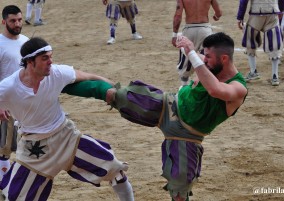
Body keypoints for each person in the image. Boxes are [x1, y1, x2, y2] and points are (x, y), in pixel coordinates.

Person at [63, 32, 248, 201]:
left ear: (224, 58)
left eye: (208, 57)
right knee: (115, 95)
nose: (204, 60)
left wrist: (191, 52)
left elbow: (214, 89)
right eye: (204, 56)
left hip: (186, 136)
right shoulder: (211, 65)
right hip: (167, 105)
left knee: (179, 194)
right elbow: (196, 58)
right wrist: (181, 41)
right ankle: (57, 84)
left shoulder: (238, 88)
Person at [0, 37, 134, 201]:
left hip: (66, 137)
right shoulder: (9, 86)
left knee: (115, 170)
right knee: (15, 197)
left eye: (51, 56)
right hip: (33, 148)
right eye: (45, 58)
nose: (50, 61)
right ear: (29, 62)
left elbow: (87, 76)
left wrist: (116, 88)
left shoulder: (56, 73)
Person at [0, 5, 29, 182]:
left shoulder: (26, 41)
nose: (17, 23)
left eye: (19, 19)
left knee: (25, 148)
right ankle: (4, 187)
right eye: (13, 20)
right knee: (4, 149)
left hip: (26, 104)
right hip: (6, 104)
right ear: (4, 21)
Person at [172, 0, 222, 86]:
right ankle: (206, 88)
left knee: (186, 61)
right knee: (207, 60)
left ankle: (184, 86)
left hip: (189, 30)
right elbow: (218, 12)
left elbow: (178, 15)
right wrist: (216, 17)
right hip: (205, 30)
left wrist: (174, 35)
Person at [237, 0, 284, 86]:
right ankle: (275, 76)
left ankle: (253, 71)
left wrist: (240, 17)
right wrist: (280, 10)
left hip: (256, 14)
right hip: (272, 12)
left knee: (250, 40)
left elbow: (243, 1)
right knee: (274, 42)